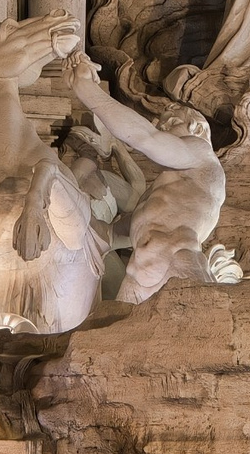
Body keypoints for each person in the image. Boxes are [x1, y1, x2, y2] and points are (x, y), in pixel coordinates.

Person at [69, 60, 226, 302]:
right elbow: (143, 223)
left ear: (197, 128)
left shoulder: (201, 153)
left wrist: (88, 91)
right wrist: (105, 232)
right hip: (140, 271)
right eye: (161, 125)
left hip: (176, 264)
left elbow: (145, 137)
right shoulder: (175, 183)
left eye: (171, 123)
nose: (162, 129)